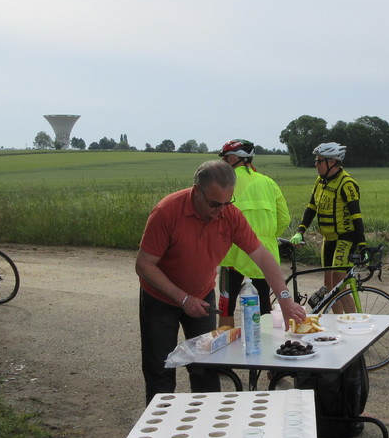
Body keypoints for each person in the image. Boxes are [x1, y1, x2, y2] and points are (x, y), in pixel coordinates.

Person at [135, 160, 306, 403]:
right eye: (215, 203)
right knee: (160, 369)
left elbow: (263, 257)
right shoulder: (167, 211)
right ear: (197, 191)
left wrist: (285, 300)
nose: (221, 210)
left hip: (202, 297)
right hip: (161, 299)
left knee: (206, 366)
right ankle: (159, 421)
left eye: (228, 202)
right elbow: (144, 265)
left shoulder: (229, 214)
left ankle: (207, 419)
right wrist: (183, 298)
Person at [215, 139, 291, 328]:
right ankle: (265, 343)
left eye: (225, 159)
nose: (223, 163)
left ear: (233, 159)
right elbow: (284, 218)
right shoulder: (269, 183)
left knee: (226, 306)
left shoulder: (226, 182)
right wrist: (267, 236)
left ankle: (226, 343)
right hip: (264, 255)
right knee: (264, 304)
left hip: (233, 255)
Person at [289, 142, 366, 313]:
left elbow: (357, 216)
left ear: (332, 162)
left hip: (345, 237)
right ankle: (338, 323)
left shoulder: (346, 183)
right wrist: (300, 231)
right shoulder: (320, 181)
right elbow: (311, 208)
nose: (316, 164)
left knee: (340, 285)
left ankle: (356, 322)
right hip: (328, 238)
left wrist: (362, 245)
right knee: (329, 286)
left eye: (319, 161)